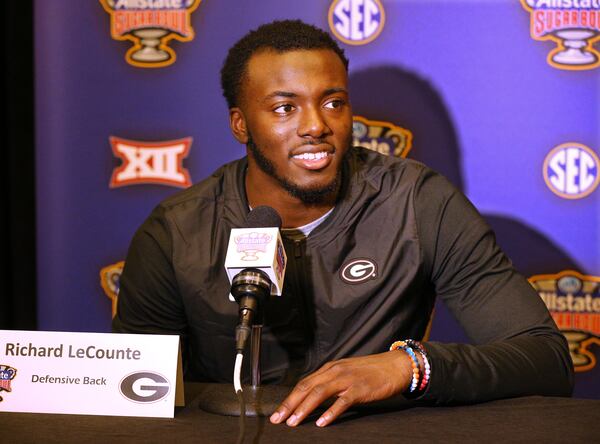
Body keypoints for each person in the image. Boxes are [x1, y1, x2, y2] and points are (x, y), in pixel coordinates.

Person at [113, 20, 573, 427]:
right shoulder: (176, 232)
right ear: (240, 124)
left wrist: (408, 367)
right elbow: (131, 393)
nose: (316, 125)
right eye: (284, 108)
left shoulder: (418, 203)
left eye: (333, 103)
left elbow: (544, 359)